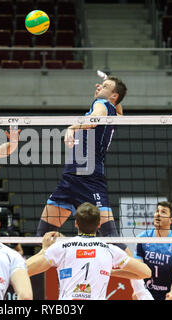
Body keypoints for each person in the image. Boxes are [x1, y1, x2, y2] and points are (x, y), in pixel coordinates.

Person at [36, 76, 126, 240]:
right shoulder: (113, 111)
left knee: (110, 239)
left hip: (89, 179)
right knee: (45, 236)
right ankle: (72, 249)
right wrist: (109, 87)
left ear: (113, 96)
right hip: (71, 178)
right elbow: (120, 110)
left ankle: (140, 266)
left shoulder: (101, 104)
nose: (99, 87)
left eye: (105, 86)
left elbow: (94, 120)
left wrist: (72, 127)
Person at [26, 202, 152, 300]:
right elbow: (146, 273)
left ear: (76, 223)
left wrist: (44, 250)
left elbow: (25, 270)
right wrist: (109, 271)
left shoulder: (61, 247)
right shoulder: (110, 250)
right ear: (99, 225)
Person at [133, 201, 172, 300]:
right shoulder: (142, 238)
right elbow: (137, 268)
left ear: (171, 220)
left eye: (163, 212)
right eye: (157, 211)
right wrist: (137, 290)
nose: (158, 214)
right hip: (148, 291)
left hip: (170, 291)